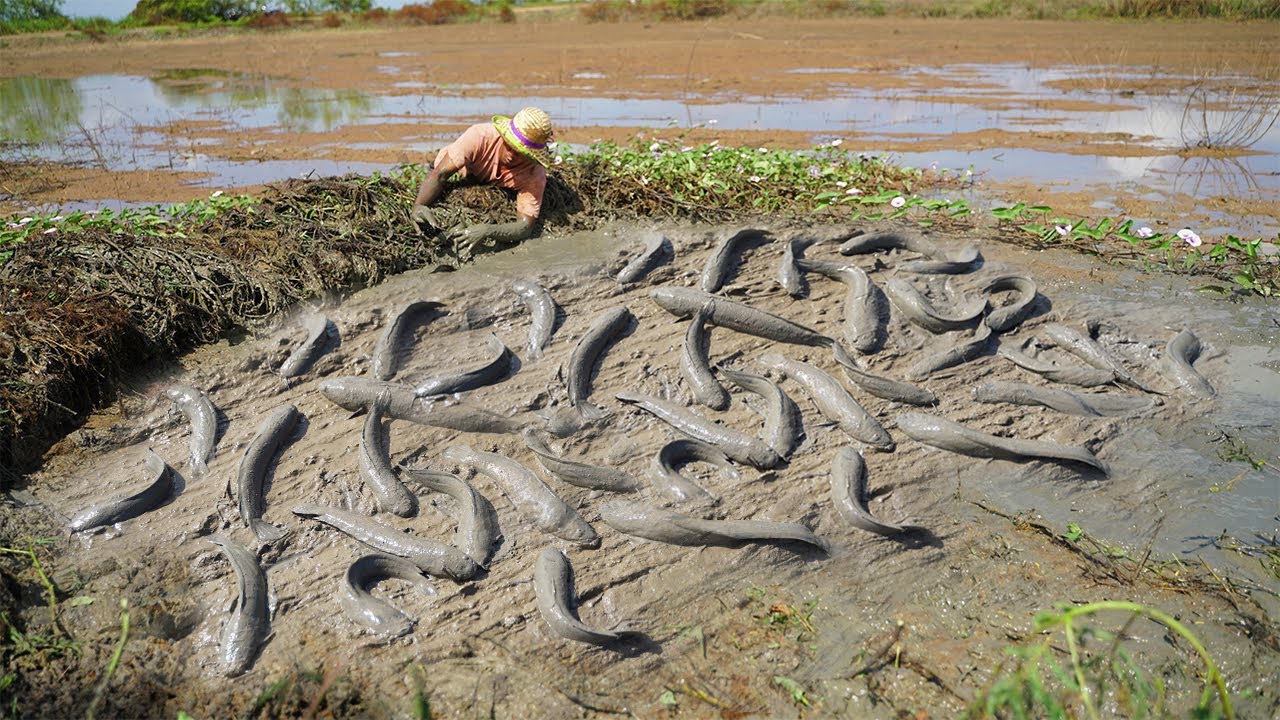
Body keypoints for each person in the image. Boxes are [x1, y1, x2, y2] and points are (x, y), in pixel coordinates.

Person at [412, 107, 554, 253]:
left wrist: (488, 230)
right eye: (509, 146)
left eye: (520, 153)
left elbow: (525, 226)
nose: (511, 155)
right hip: (459, 172)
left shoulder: (534, 173)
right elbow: (439, 175)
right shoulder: (480, 136)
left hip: (491, 189)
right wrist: (419, 205)